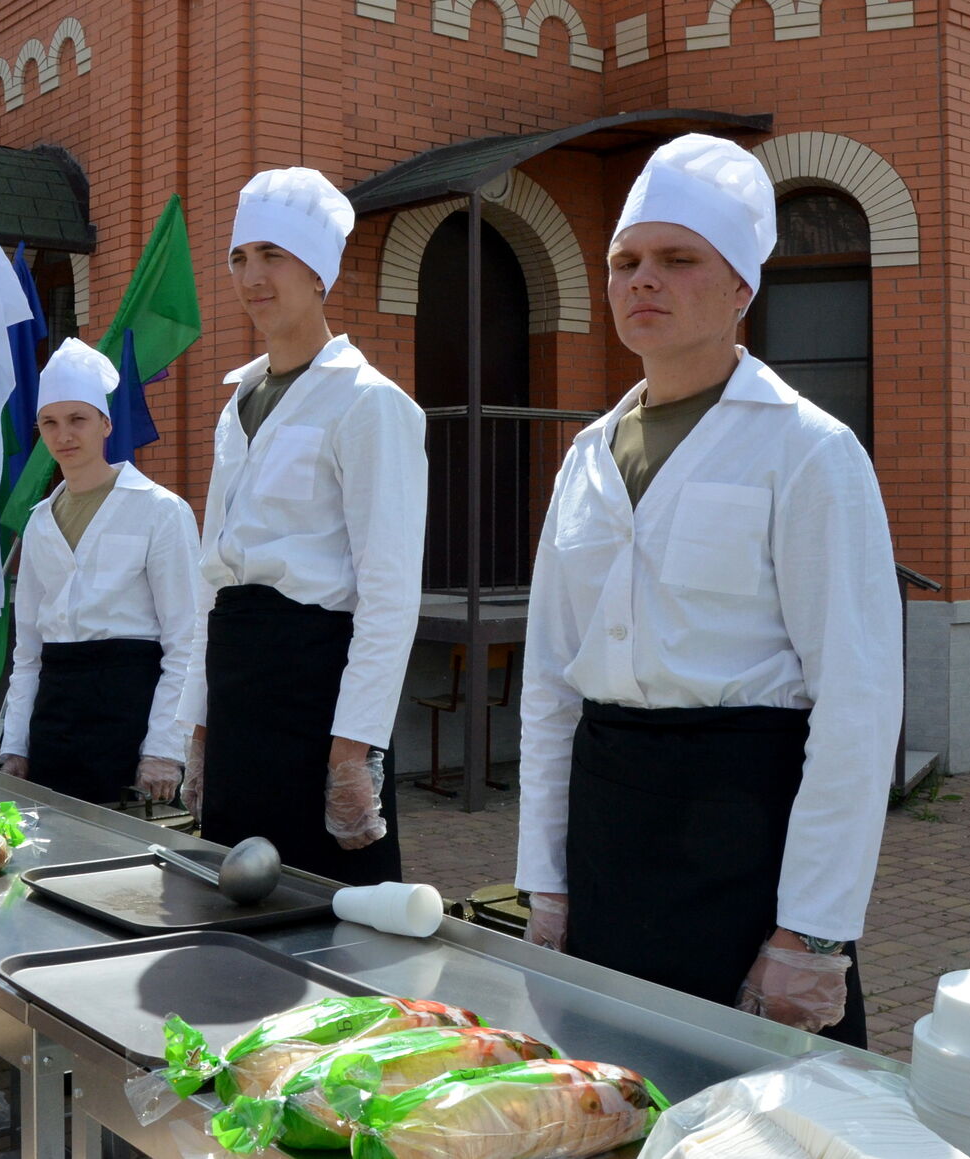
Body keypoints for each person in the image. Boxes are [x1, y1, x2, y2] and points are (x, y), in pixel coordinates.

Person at [515, 135, 902, 1047]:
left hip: (742, 834)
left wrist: (813, 931)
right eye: (626, 261)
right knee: (614, 1086)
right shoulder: (585, 458)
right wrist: (547, 878)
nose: (643, 279)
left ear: (741, 288)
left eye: (677, 258)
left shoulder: (807, 449)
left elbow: (857, 700)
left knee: (757, 1104)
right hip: (609, 828)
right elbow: (549, 684)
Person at [176, 167, 428, 886]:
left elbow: (388, 591)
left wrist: (355, 749)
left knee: (324, 910)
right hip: (237, 682)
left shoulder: (369, 403)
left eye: (272, 255)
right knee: (235, 905)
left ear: (319, 272)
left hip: (314, 690)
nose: (251, 276)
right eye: (239, 257)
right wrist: (199, 723)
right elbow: (211, 576)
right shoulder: (238, 403)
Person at [0, 338, 200, 805]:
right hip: (54, 711)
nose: (64, 435)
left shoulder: (160, 509)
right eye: (50, 422)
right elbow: (28, 648)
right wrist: (15, 744)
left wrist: (164, 748)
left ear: (105, 424)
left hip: (127, 705)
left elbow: (186, 640)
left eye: (78, 419)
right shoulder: (39, 520)